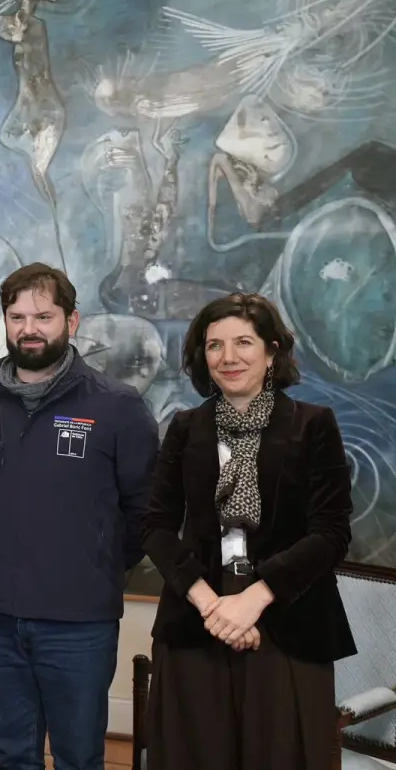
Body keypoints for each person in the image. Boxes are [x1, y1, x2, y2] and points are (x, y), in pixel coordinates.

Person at [0, 263, 159, 770]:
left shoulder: (118, 407)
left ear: (72, 321)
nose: (29, 328)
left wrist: (95, 564)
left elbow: (144, 511)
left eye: (43, 316)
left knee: (78, 756)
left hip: (79, 621)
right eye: (17, 316)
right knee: (11, 754)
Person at [141, 292, 356, 769]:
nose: (228, 357)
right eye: (214, 345)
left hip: (287, 618)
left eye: (243, 342)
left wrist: (253, 599)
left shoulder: (314, 426)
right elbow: (155, 525)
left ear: (273, 351)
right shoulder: (184, 428)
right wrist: (211, 604)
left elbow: (331, 532)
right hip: (200, 615)